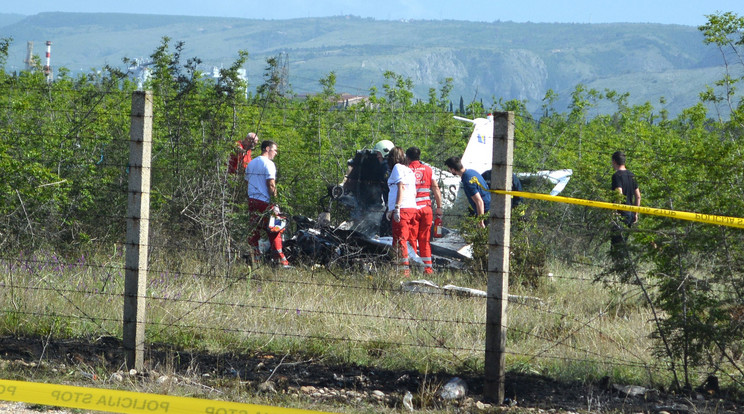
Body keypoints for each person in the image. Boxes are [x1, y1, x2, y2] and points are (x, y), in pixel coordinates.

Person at [245, 140, 291, 268]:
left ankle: (256, 259)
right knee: (275, 230)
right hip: (265, 202)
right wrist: (276, 203)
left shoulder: (251, 163)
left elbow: (247, 182)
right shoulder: (269, 164)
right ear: (267, 149)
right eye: (274, 150)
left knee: (254, 230)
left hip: (252, 200)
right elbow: (271, 185)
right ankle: (280, 261)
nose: (275, 153)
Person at [406, 146, 443, 274]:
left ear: (408, 157)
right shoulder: (428, 170)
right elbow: (436, 189)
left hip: (413, 209)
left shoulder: (407, 170)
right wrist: (439, 207)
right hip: (426, 209)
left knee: (412, 239)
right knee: (425, 239)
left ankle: (415, 267)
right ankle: (427, 268)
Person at [386, 146, 417, 277]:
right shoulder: (408, 170)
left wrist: (397, 207)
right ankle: (405, 267)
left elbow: (401, 187)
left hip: (403, 208)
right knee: (407, 239)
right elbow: (413, 191)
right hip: (411, 207)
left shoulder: (397, 168)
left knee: (400, 240)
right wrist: (390, 208)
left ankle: (403, 272)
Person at [444, 156, 491, 228]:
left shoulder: (467, 181)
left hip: (485, 212)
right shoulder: (472, 172)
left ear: (453, 169)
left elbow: (479, 201)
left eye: (449, 169)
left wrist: (481, 221)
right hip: (490, 207)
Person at [610, 150, 641, 255]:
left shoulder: (617, 176)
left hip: (621, 213)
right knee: (624, 243)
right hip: (630, 213)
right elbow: (638, 196)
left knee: (616, 245)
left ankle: (617, 266)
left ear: (614, 161)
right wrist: (635, 213)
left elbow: (619, 193)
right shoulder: (631, 176)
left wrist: (615, 211)